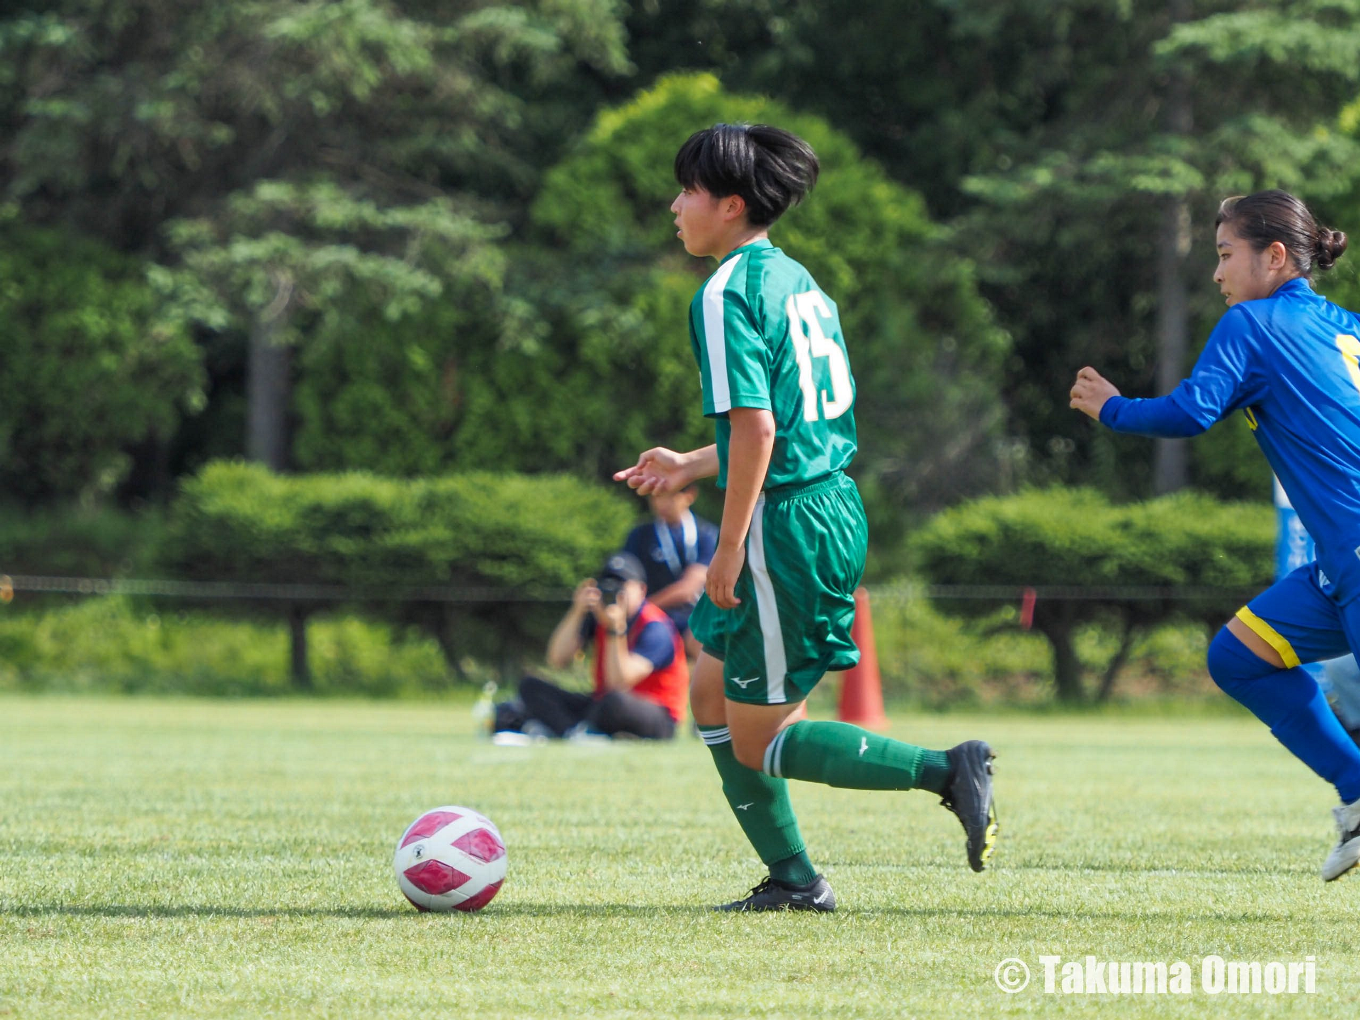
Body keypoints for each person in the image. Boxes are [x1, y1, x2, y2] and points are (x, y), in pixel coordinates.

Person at [614, 123, 998, 912]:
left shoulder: (724, 294)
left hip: (781, 527)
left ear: (730, 204)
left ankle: (946, 770)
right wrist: (690, 463)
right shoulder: (797, 282)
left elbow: (759, 432)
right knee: (712, 696)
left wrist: (725, 549)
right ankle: (792, 880)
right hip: (819, 503)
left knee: (762, 737)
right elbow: (783, 428)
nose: (675, 205)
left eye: (688, 190)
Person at [1069, 188, 1360, 881]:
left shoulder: (1253, 325)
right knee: (1239, 656)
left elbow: (1193, 412)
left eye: (1227, 255)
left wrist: (1113, 410)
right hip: (1338, 567)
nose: (1218, 274)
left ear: (1277, 256)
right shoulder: (1347, 326)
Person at [496, 552, 688, 741]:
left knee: (613, 701)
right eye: (607, 585)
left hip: (654, 715)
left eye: (622, 585)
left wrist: (615, 629)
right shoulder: (598, 617)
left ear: (641, 590)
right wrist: (577, 610)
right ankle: (574, 733)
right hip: (603, 703)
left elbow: (619, 682)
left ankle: (574, 728)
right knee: (530, 685)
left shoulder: (655, 627)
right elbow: (556, 659)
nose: (614, 591)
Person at [622, 485, 719, 659]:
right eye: (656, 497)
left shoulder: (707, 535)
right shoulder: (639, 535)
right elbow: (627, 579)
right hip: (652, 618)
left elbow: (687, 590)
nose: (661, 503)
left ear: (690, 495)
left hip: (693, 616)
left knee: (702, 636)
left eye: (669, 496)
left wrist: (643, 608)